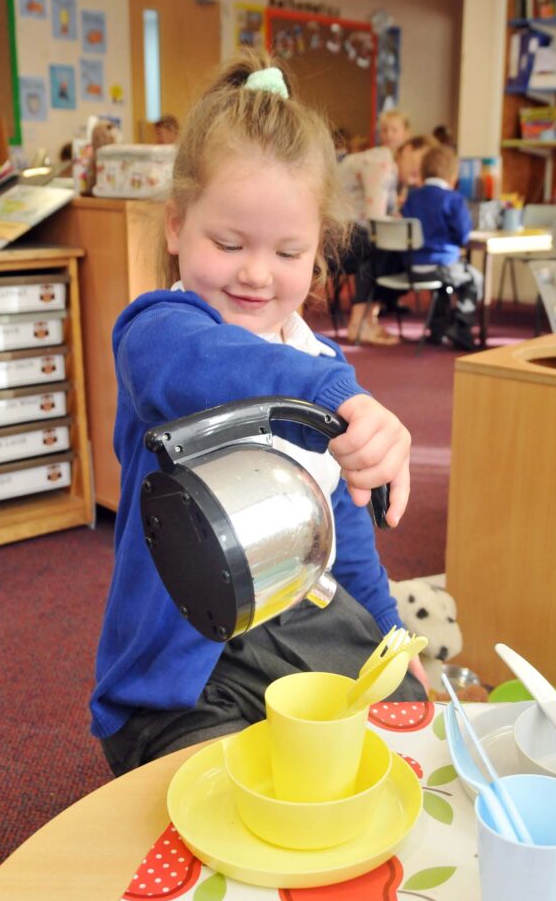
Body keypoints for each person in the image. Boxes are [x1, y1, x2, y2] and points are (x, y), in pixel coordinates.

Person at [90, 51, 427, 776]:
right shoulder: (157, 333)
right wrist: (333, 395)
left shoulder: (318, 359)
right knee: (228, 786)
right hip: (180, 675)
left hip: (291, 621)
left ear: (318, 254)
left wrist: (390, 638)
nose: (254, 273)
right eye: (228, 243)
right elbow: (213, 365)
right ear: (176, 227)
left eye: (288, 252)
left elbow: (346, 535)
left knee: (401, 714)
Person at [336, 110, 411, 345]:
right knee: (376, 249)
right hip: (337, 235)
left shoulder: (389, 162)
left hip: (348, 230)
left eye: (394, 129)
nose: (388, 134)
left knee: (382, 249)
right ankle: (358, 324)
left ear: (406, 134)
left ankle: (369, 320)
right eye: (384, 129)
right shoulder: (381, 160)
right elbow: (375, 216)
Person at [401, 143, 483, 350]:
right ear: (452, 174)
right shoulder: (453, 199)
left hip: (414, 265)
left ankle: (437, 329)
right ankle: (461, 325)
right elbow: (463, 235)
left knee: (443, 285)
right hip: (442, 265)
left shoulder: (413, 197)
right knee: (474, 279)